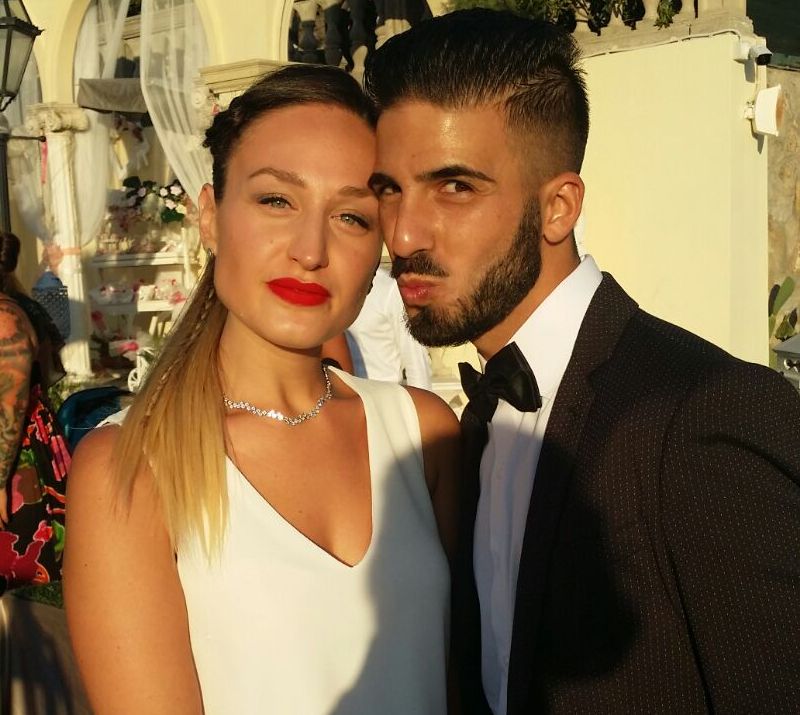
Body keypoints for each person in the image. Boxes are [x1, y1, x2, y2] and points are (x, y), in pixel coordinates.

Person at [364, 10, 800, 714]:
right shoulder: (475, 424)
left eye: (455, 186)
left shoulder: (705, 416)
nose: (405, 232)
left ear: (559, 208)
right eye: (389, 188)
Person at [64, 64, 459, 715]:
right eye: (277, 200)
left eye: (352, 217)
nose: (310, 249)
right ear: (210, 216)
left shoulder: (425, 434)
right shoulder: (131, 468)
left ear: (381, 248)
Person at [0, 231, 70, 593]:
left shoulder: (6, 317)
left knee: (22, 576)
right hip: (25, 445)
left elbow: (9, 404)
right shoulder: (22, 306)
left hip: (16, 458)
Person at [346, 265, 432, 388]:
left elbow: (415, 357)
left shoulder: (388, 288)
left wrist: (422, 398)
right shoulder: (330, 284)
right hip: (339, 393)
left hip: (383, 392)